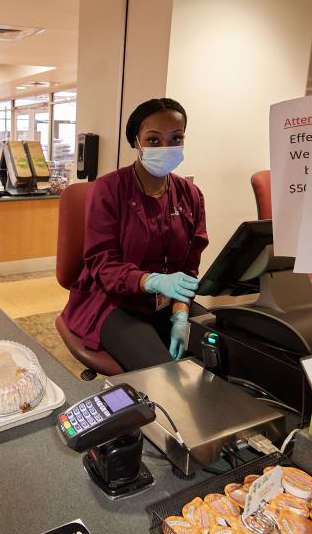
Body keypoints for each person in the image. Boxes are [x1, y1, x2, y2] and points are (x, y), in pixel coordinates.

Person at [61, 98, 208, 371]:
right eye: (153, 140)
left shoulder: (191, 195)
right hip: (113, 303)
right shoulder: (108, 190)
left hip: (166, 305)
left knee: (222, 350)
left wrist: (180, 313)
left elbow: (188, 268)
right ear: (136, 142)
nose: (166, 147)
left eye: (176, 138)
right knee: (164, 374)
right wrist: (151, 281)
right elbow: (103, 266)